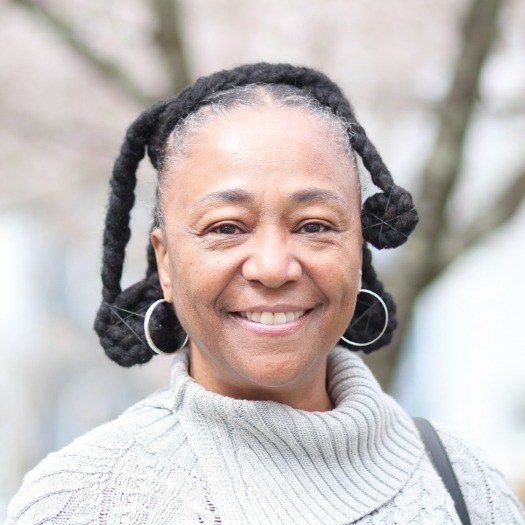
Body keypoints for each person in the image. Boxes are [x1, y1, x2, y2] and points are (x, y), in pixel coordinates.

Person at [6, 62, 524, 524]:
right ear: (166, 263)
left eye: (314, 225)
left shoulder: (467, 491)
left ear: (360, 248)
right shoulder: (80, 504)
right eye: (226, 227)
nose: (273, 267)